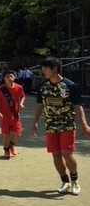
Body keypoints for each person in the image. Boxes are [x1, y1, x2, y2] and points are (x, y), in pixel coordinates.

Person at [32, 56, 90, 195]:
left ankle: (75, 180)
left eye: (46, 68)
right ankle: (65, 181)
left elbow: (77, 105)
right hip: (50, 125)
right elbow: (40, 105)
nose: (43, 71)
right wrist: (34, 122)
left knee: (67, 154)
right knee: (56, 155)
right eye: (42, 68)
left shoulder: (70, 86)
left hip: (67, 125)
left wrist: (84, 124)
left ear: (55, 69)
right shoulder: (42, 86)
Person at [0, 70, 25, 158]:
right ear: (4, 79)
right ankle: (6, 151)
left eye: (11, 76)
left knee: (18, 134)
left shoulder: (19, 88)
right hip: (4, 118)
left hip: (15, 116)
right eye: (7, 77)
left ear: (14, 77)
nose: (9, 78)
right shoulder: (1, 90)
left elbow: (22, 96)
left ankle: (11, 145)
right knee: (6, 136)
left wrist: (21, 104)